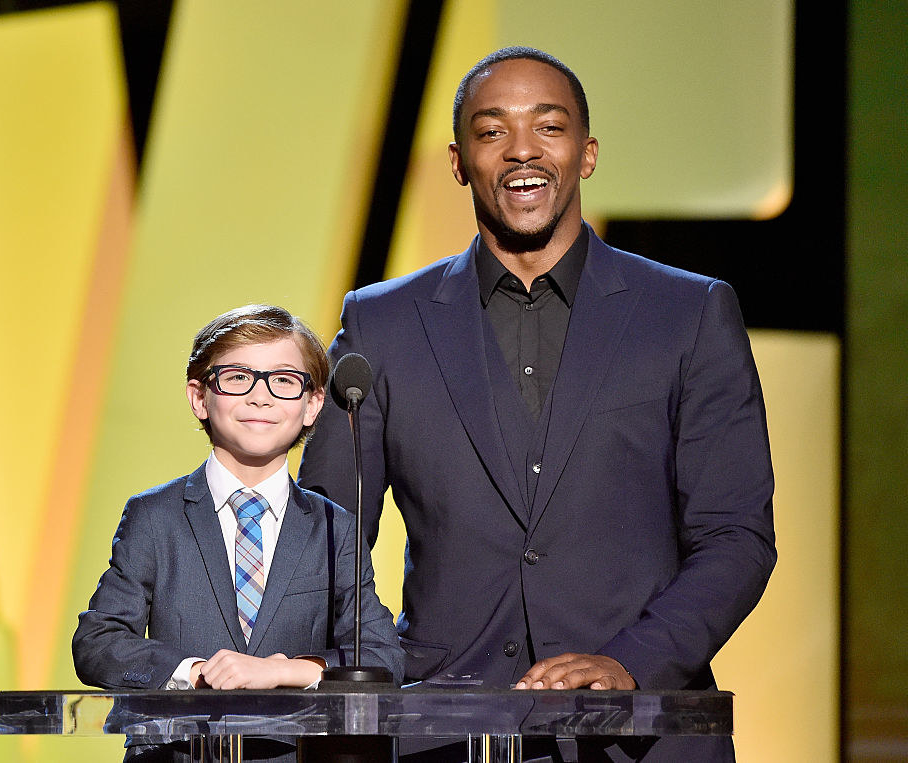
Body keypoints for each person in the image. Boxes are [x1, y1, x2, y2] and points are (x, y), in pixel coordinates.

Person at [298, 47, 776, 761]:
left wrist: (631, 664)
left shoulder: (689, 311)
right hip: (441, 734)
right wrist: (366, 674)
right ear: (459, 161)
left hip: (640, 734)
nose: (523, 150)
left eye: (549, 127)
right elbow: (325, 541)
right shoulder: (383, 324)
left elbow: (736, 534)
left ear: (586, 154)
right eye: (492, 131)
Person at [73, 304, 403, 762]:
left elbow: (383, 657)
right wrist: (195, 672)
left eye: (284, 380)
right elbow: (98, 640)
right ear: (199, 396)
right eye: (237, 377)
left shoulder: (334, 527)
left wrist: (281, 671)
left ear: (312, 405)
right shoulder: (154, 516)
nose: (260, 397)